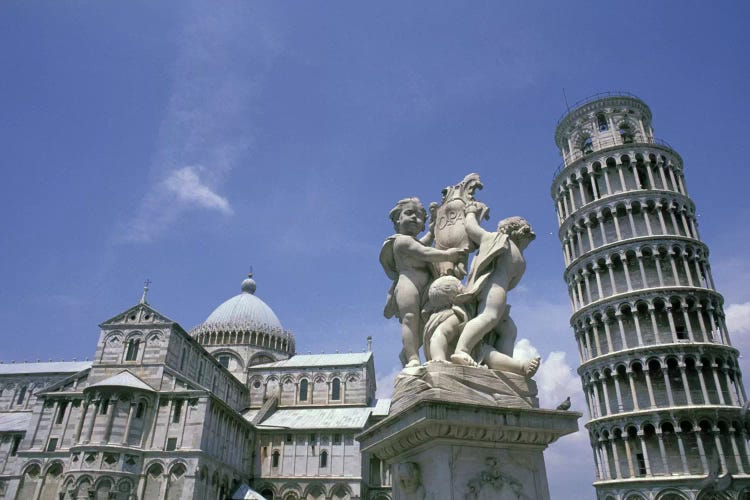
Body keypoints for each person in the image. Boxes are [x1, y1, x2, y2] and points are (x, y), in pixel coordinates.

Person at [450, 211, 537, 376]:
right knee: (488, 317)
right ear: (517, 232)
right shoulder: (498, 240)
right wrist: (471, 212)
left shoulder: (519, 257)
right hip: (494, 288)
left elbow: (513, 282)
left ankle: (503, 365)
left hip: (499, 290)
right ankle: (462, 349)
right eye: (527, 236)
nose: (528, 242)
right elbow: (472, 228)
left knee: (508, 329)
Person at [380, 197, 464, 368]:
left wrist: (433, 231)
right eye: (409, 213)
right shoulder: (401, 241)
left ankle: (406, 353)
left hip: (424, 287)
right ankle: (412, 358)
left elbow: (422, 243)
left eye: (419, 216)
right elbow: (424, 252)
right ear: (398, 218)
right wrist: (448, 255)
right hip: (408, 285)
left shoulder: (412, 241)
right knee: (410, 320)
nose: (414, 218)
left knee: (422, 323)